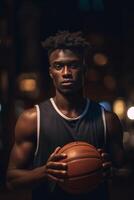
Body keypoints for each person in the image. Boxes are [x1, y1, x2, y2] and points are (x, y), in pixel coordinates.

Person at [6, 31, 124, 200]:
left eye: (73, 65)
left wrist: (111, 172)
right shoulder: (32, 119)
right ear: (50, 72)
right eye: (59, 66)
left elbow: (126, 172)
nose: (66, 72)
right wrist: (44, 172)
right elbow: (11, 180)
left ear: (83, 69)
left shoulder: (108, 120)